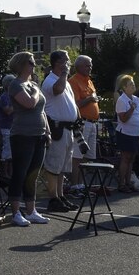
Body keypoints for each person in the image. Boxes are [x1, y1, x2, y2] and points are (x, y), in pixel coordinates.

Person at [6, 51, 50, 227]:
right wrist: (36, 91)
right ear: (22, 65)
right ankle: (16, 212)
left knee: (33, 174)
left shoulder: (33, 85)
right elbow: (30, 103)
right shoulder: (15, 85)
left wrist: (47, 131)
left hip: (39, 134)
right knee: (20, 173)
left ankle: (31, 211)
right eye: (31, 63)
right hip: (22, 135)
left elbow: (42, 110)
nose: (34, 65)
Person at [40, 50, 79, 213]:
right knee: (54, 165)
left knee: (63, 166)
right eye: (66, 60)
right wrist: (64, 74)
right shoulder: (50, 80)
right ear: (58, 62)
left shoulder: (65, 81)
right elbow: (57, 90)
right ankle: (53, 198)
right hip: (57, 127)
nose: (69, 63)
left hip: (68, 128)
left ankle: (61, 195)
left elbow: (70, 101)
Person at [68, 55, 100, 193]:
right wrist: (89, 99)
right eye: (87, 65)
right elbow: (75, 104)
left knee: (87, 156)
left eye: (91, 64)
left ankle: (81, 184)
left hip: (92, 123)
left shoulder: (89, 81)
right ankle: (75, 185)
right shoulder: (73, 81)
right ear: (78, 67)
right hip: (82, 123)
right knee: (77, 156)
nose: (90, 67)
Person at [114, 74, 139, 193]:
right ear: (124, 87)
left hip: (136, 133)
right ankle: (121, 184)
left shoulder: (136, 99)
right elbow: (123, 119)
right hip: (125, 133)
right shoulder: (122, 100)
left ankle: (128, 182)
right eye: (130, 84)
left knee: (132, 158)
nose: (133, 85)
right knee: (125, 158)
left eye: (133, 84)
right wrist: (131, 109)